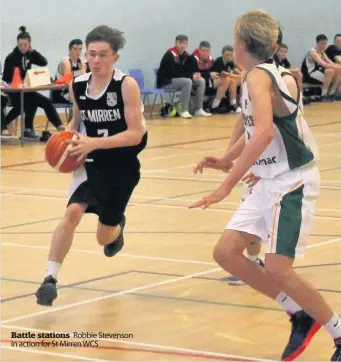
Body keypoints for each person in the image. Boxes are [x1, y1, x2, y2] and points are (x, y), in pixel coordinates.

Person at [190, 10, 341, 361]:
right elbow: (253, 129)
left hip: (291, 181)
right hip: (270, 178)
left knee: (277, 267)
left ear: (242, 45)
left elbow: (265, 132)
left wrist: (225, 185)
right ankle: (300, 314)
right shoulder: (264, 74)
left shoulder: (259, 76)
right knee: (225, 253)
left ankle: (338, 331)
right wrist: (228, 158)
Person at [35, 25, 148, 307]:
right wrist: (63, 141)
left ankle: (117, 228)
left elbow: (135, 134)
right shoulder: (78, 84)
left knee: (103, 237)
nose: (96, 61)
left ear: (115, 58)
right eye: (92, 55)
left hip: (122, 165)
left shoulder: (126, 86)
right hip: (91, 161)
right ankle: (49, 279)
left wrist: (93, 143)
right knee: (72, 212)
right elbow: (77, 121)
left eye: (103, 55)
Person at [1, 26, 64, 138]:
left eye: (25, 45)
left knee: (45, 101)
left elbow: (43, 62)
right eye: (20, 45)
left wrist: (33, 51)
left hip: (27, 90)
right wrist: (19, 82)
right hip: (15, 91)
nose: (23, 48)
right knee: (28, 103)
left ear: (29, 45)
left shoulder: (30, 54)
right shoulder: (11, 57)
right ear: (17, 44)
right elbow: (6, 78)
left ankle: (59, 125)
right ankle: (14, 126)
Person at [157, 34, 212, 119]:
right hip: (166, 81)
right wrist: (190, 76)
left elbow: (190, 70)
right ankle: (184, 110)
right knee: (187, 81)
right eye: (180, 43)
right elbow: (173, 73)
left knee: (201, 80)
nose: (182, 45)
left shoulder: (187, 56)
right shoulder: (169, 55)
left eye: (184, 43)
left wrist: (195, 74)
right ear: (176, 43)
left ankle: (199, 109)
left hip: (179, 80)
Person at [192, 41, 230, 113]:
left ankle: (215, 106)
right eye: (203, 50)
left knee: (226, 79)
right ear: (199, 50)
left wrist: (220, 74)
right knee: (201, 80)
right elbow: (194, 74)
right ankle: (200, 108)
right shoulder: (193, 59)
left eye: (208, 51)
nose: (206, 53)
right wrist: (209, 75)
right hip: (198, 84)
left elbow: (214, 72)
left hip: (209, 82)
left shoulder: (210, 59)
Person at [301, 34, 341, 101]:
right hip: (309, 75)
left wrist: (339, 68)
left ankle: (331, 94)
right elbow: (325, 65)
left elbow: (331, 63)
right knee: (330, 71)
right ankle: (323, 95)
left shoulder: (322, 53)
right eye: (322, 43)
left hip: (317, 73)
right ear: (317, 43)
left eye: (325, 43)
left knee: (339, 73)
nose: (324, 45)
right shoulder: (312, 52)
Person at [52, 39, 87, 104]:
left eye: (80, 49)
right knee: (82, 99)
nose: (78, 52)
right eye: (75, 49)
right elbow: (69, 83)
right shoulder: (66, 62)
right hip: (62, 93)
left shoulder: (82, 62)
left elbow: (84, 80)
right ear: (69, 50)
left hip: (75, 90)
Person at [211, 46, 242, 113]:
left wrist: (244, 75)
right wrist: (242, 76)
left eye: (230, 55)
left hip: (225, 81)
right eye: (226, 55)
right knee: (228, 79)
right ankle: (215, 105)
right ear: (222, 54)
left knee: (233, 81)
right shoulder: (219, 61)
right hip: (213, 81)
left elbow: (236, 71)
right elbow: (225, 75)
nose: (228, 57)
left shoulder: (230, 62)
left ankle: (233, 104)